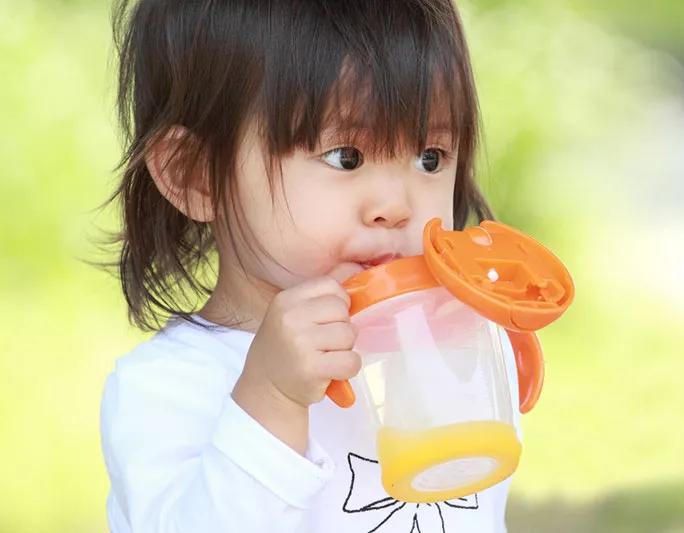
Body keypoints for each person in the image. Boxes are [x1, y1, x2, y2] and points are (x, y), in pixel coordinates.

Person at [100, 0, 509, 531]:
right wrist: (271, 398)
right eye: (346, 156)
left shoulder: (443, 347)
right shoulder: (168, 390)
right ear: (196, 176)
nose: (397, 203)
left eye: (429, 157)